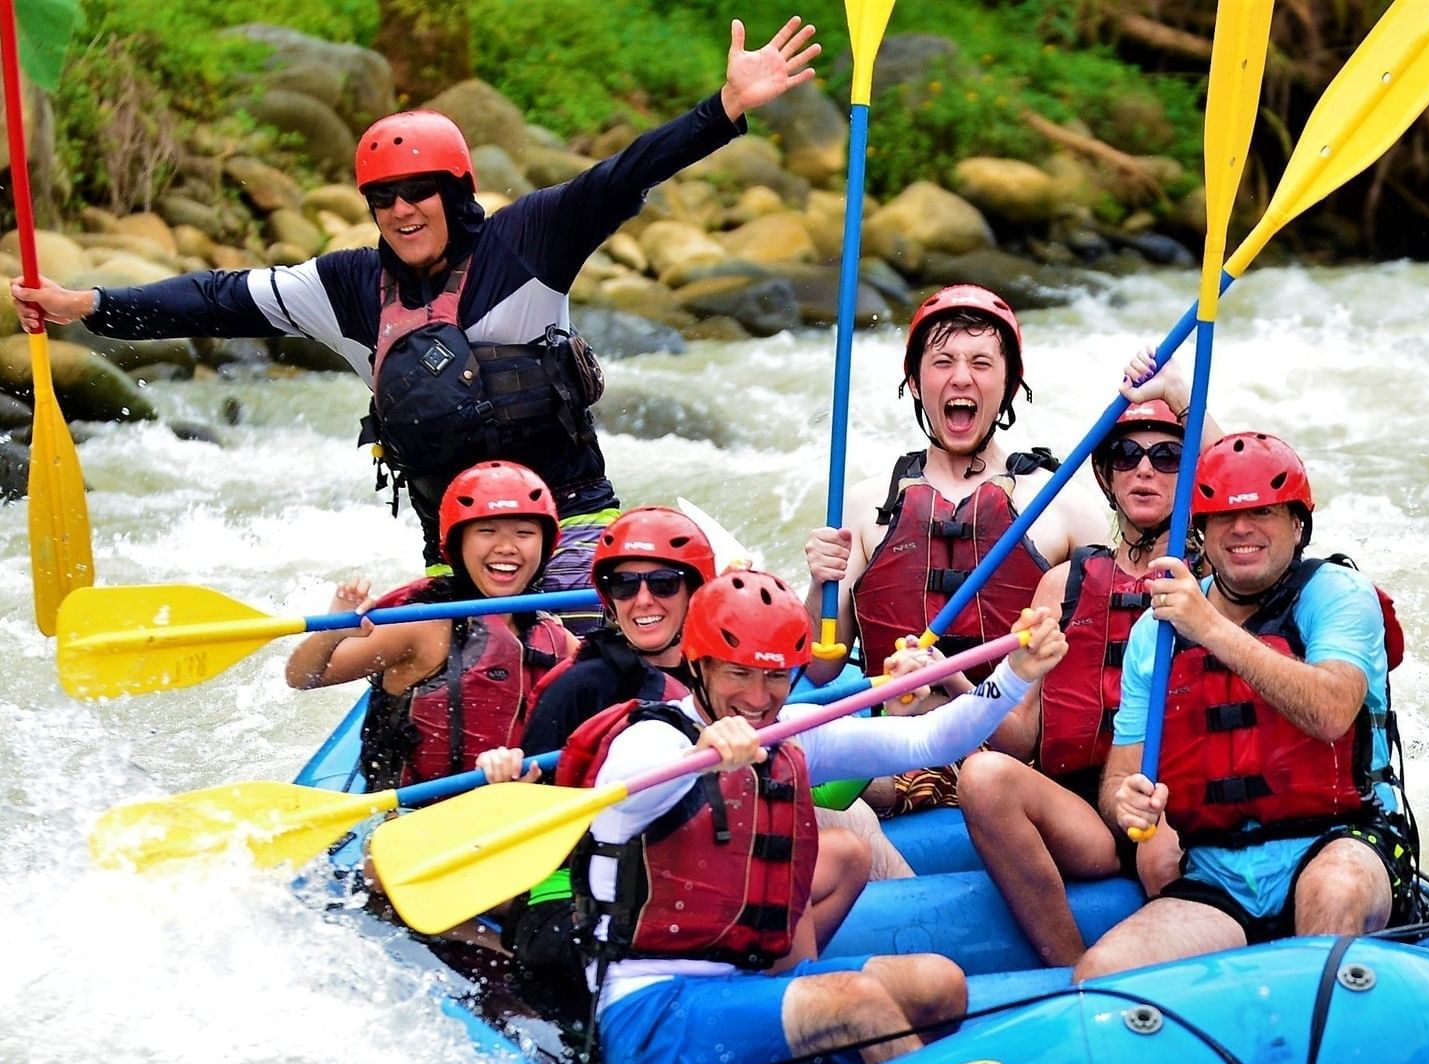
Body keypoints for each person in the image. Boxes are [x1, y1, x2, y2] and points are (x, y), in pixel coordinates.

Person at [11, 17, 821, 599]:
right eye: (383, 198)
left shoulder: (528, 242)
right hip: (455, 562)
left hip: (573, 534)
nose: (402, 212)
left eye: (419, 192)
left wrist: (722, 110)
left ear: (456, 192)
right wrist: (92, 304)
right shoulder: (349, 290)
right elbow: (222, 299)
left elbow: (622, 174)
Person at [554, 569, 1065, 1064]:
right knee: (859, 1003)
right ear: (698, 664)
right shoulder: (650, 743)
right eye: (739, 673)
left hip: (749, 985)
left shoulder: (789, 735)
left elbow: (927, 741)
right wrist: (701, 760)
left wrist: (1017, 672)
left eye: (775, 676)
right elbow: (629, 790)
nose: (759, 696)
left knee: (939, 982)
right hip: (649, 1013)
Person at [1075, 433, 1417, 982]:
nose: (1241, 530)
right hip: (1218, 871)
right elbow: (1122, 770)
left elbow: (1331, 711)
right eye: (1221, 518)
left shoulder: (1337, 594)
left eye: (1263, 512)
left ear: (1298, 524)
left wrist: (1208, 626)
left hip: (1340, 841)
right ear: (1202, 534)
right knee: (1102, 971)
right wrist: (1127, 804)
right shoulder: (1155, 634)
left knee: (1332, 893)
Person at [475, 506, 865, 965]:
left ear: (697, 592)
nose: (643, 601)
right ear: (608, 596)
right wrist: (504, 785)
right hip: (607, 886)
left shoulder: (729, 675)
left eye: (663, 584)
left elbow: (814, 773)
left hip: (702, 855)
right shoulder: (580, 687)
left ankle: (769, 986)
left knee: (846, 851)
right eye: (624, 585)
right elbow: (534, 822)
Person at [957, 390, 1220, 967]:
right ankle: (1069, 970)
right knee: (982, 776)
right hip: (1085, 814)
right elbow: (1018, 736)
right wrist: (951, 687)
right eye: (1126, 454)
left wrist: (1178, 393)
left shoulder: (1218, 584)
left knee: (1159, 849)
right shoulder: (1063, 586)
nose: (1144, 468)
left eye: (1168, 457)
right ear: (1105, 475)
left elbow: (1237, 467)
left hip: (1176, 806)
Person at [802, 284, 1101, 692]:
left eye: (981, 363)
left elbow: (1111, 656)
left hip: (1011, 749)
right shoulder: (864, 505)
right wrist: (820, 583)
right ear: (914, 382)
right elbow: (820, 668)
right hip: (893, 744)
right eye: (943, 362)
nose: (961, 378)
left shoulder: (1065, 505)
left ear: (1011, 384)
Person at [284, 459, 576, 791]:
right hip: (409, 815)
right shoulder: (425, 627)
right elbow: (303, 677)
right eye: (487, 531)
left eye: (524, 533)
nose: (507, 547)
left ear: (545, 544)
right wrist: (334, 630)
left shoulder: (556, 639)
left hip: (515, 807)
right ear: (457, 544)